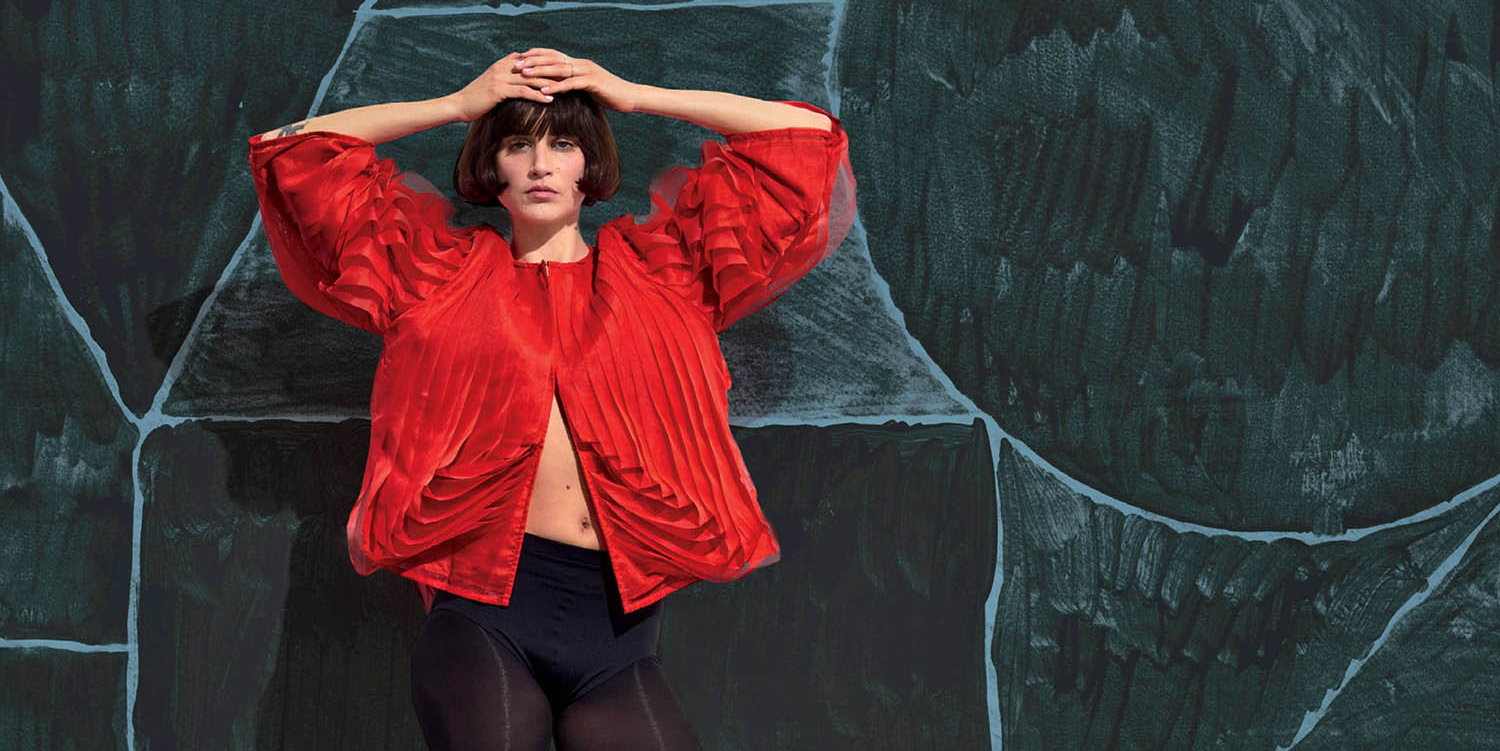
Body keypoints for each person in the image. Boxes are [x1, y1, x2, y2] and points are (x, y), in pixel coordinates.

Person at [247, 47, 856, 750]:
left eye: (562, 144)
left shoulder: (666, 273)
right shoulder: (434, 279)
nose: (540, 165)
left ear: (587, 166)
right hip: (485, 617)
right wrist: (456, 104)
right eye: (517, 146)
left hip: (620, 638)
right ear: (492, 171)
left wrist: (631, 94)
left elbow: (805, 141)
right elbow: (296, 152)